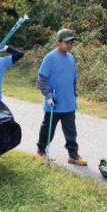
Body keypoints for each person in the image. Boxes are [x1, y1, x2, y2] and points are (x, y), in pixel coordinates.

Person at [36, 28, 86, 166]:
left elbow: (73, 78)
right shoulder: (50, 58)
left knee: (71, 132)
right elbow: (42, 79)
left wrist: (74, 92)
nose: (70, 45)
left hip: (68, 103)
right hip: (54, 103)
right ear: (58, 42)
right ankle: (41, 151)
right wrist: (48, 96)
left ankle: (73, 155)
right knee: (48, 129)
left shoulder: (70, 58)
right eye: (67, 42)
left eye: (72, 42)